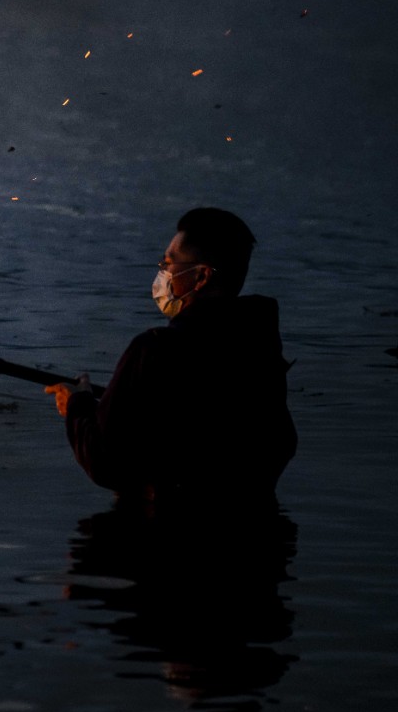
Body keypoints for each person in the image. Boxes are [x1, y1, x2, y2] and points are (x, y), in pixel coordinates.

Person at [45, 208, 296, 505]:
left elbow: (105, 462)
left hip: (170, 539)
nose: (162, 274)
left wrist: (78, 406)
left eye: (168, 264)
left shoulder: (153, 349)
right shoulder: (257, 347)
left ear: (201, 276)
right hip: (258, 538)